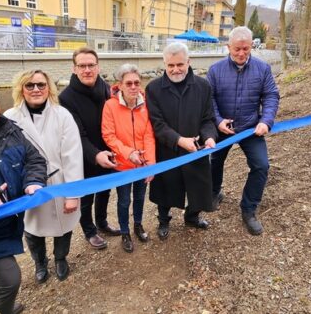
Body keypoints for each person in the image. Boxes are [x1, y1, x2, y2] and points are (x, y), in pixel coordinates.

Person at [4, 70, 83, 283]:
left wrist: (72, 193)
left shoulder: (62, 115)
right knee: (32, 229)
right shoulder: (9, 118)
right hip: (28, 186)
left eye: (41, 84)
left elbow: (73, 157)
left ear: (49, 88)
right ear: (21, 88)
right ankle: (40, 263)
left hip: (59, 184)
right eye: (30, 85)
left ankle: (60, 258)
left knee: (63, 225)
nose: (36, 89)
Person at [0, 77, 47, 314]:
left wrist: (34, 182)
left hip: (7, 224)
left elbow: (35, 159)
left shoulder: (11, 131)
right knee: (9, 280)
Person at [207, 26, 280, 235]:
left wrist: (266, 120)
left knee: (261, 166)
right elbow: (208, 99)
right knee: (215, 161)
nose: (241, 54)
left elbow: (271, 96)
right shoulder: (215, 70)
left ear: (251, 47)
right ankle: (214, 193)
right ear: (228, 47)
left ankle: (249, 209)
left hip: (250, 128)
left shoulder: (262, 69)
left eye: (246, 49)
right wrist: (218, 120)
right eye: (237, 49)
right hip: (223, 129)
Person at [146, 42, 217, 240]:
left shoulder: (203, 86)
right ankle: (163, 219)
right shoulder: (153, 88)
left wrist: (210, 137)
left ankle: (192, 216)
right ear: (164, 64)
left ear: (189, 62)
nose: (175, 69)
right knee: (166, 187)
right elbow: (157, 124)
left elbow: (207, 119)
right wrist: (178, 140)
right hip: (168, 149)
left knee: (197, 186)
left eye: (180, 64)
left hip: (196, 148)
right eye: (170, 65)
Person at [59, 47, 120, 249]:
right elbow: (77, 136)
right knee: (86, 197)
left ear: (98, 66)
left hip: (107, 152)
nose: (87, 70)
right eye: (82, 66)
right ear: (74, 68)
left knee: (104, 191)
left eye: (91, 65)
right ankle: (89, 230)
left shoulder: (105, 88)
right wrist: (95, 155)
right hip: (84, 156)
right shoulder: (66, 98)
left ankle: (102, 223)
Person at [102, 64, 155, 253]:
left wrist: (151, 164)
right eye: (129, 83)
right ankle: (125, 232)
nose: (133, 87)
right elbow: (108, 135)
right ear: (120, 85)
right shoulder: (110, 106)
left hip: (142, 164)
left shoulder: (145, 104)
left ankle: (138, 225)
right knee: (124, 200)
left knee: (140, 197)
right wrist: (128, 152)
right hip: (123, 165)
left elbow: (149, 135)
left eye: (136, 83)